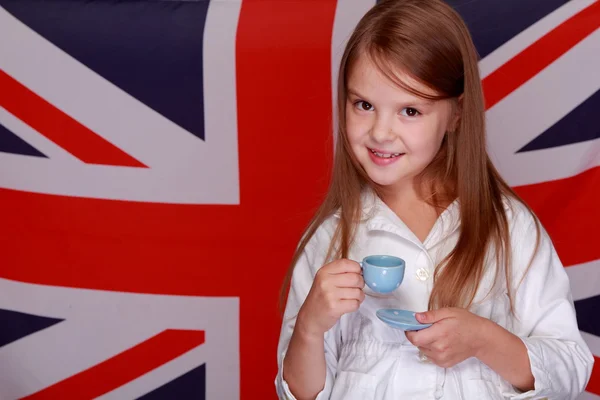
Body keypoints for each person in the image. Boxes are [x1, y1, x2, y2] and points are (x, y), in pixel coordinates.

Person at [274, 0, 594, 399]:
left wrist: (484, 340)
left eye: (410, 110)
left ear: (456, 114)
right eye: (364, 105)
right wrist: (309, 326)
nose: (380, 132)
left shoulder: (509, 227)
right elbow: (301, 393)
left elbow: (571, 367)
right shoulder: (331, 238)